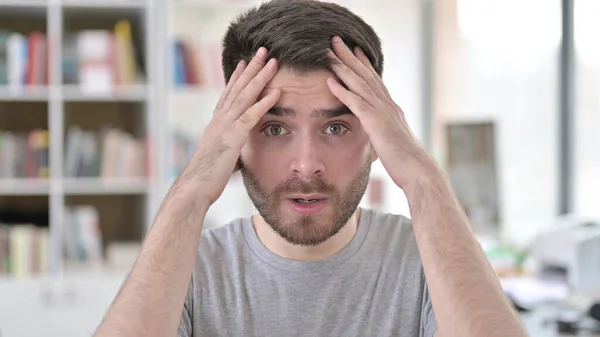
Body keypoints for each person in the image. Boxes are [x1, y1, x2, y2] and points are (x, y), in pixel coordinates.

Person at [94, 0, 527, 336]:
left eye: (336, 127)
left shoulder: (431, 260)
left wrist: (423, 177)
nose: (307, 165)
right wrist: (190, 192)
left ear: (378, 139)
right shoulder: (185, 268)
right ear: (233, 140)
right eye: (275, 128)